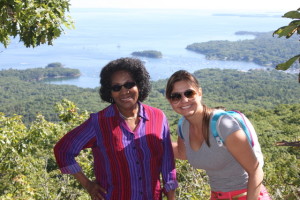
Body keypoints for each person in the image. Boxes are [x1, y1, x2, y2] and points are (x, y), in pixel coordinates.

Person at [54, 57, 178, 200]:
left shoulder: (158, 117)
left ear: (139, 85)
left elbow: (167, 162)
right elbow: (63, 150)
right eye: (116, 87)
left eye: (129, 84)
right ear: (110, 92)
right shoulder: (99, 123)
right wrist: (88, 185)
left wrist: (171, 196)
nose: (124, 91)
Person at [165, 70, 271, 200]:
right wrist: (147, 143)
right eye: (176, 96)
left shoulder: (223, 125)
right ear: (170, 100)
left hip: (247, 195)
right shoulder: (183, 126)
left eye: (189, 93)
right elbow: (182, 153)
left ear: (199, 93)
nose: (184, 100)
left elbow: (255, 171)